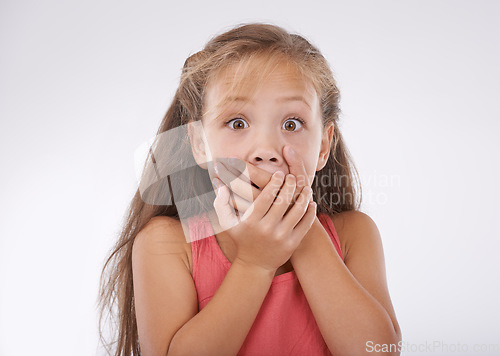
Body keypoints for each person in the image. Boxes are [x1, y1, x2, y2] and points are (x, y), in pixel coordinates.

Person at [98, 22, 402, 355]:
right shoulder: (167, 242)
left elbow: (379, 351)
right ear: (200, 144)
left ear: (323, 146)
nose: (266, 148)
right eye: (238, 123)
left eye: (291, 124)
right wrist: (256, 263)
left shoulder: (353, 234)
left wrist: (302, 232)